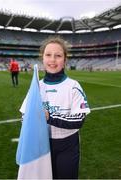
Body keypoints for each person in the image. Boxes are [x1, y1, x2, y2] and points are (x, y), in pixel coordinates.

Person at [20, 36, 90, 179]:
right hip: (41, 146)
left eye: (58, 56)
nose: (52, 60)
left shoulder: (73, 86)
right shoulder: (36, 87)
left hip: (67, 146)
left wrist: (49, 117)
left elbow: (79, 120)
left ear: (64, 61)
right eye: (48, 55)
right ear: (42, 59)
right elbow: (24, 118)